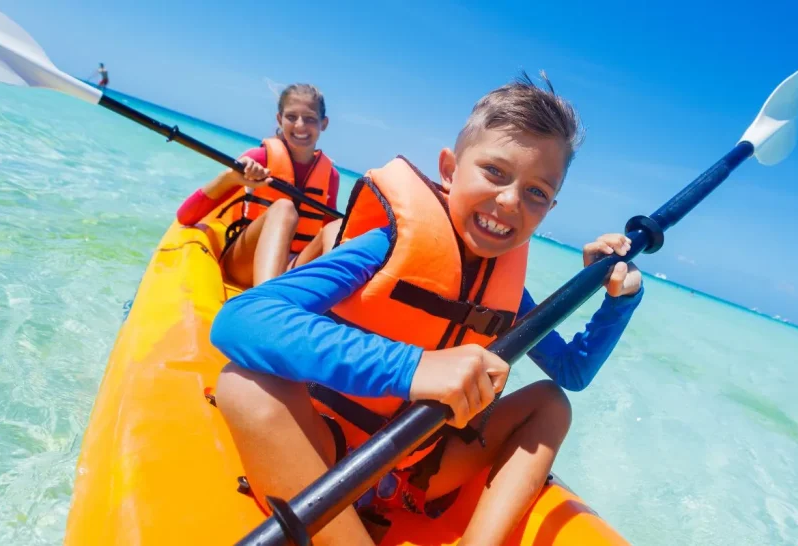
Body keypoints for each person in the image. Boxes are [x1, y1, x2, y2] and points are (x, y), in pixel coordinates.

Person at [210, 73, 645, 545]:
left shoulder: (508, 292)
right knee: (244, 386)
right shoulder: (385, 246)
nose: (509, 201)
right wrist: (414, 367)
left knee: (550, 404)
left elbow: (571, 371)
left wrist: (618, 303)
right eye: (495, 172)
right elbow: (241, 319)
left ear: (549, 208)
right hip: (328, 447)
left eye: (536, 192)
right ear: (449, 169)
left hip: (422, 467)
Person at [175, 83, 340, 287]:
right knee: (284, 207)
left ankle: (334, 302)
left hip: (290, 269)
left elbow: (329, 233)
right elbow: (185, 217)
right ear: (279, 119)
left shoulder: (330, 175)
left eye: (310, 119)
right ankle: (264, 301)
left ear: (323, 124)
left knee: (337, 226)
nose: (300, 126)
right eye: (291, 117)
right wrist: (231, 178)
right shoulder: (258, 158)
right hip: (243, 264)